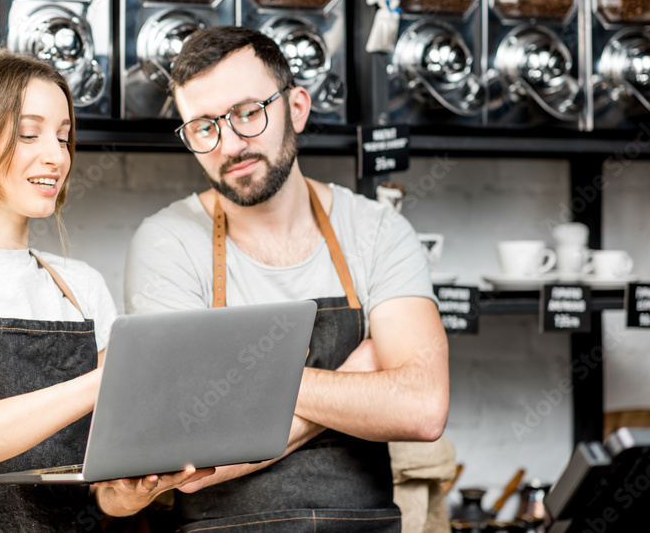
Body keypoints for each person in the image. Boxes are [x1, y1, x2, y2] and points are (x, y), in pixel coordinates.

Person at [0, 39, 208, 532]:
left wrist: (129, 493)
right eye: (29, 134)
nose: (56, 156)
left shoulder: (83, 287)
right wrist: (105, 381)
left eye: (63, 137)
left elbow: (101, 496)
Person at [124, 26, 450, 532]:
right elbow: (187, 456)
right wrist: (355, 378)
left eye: (247, 113)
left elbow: (423, 407)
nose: (230, 144)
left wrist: (241, 386)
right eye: (204, 127)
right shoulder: (168, 240)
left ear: (296, 107)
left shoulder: (377, 229)